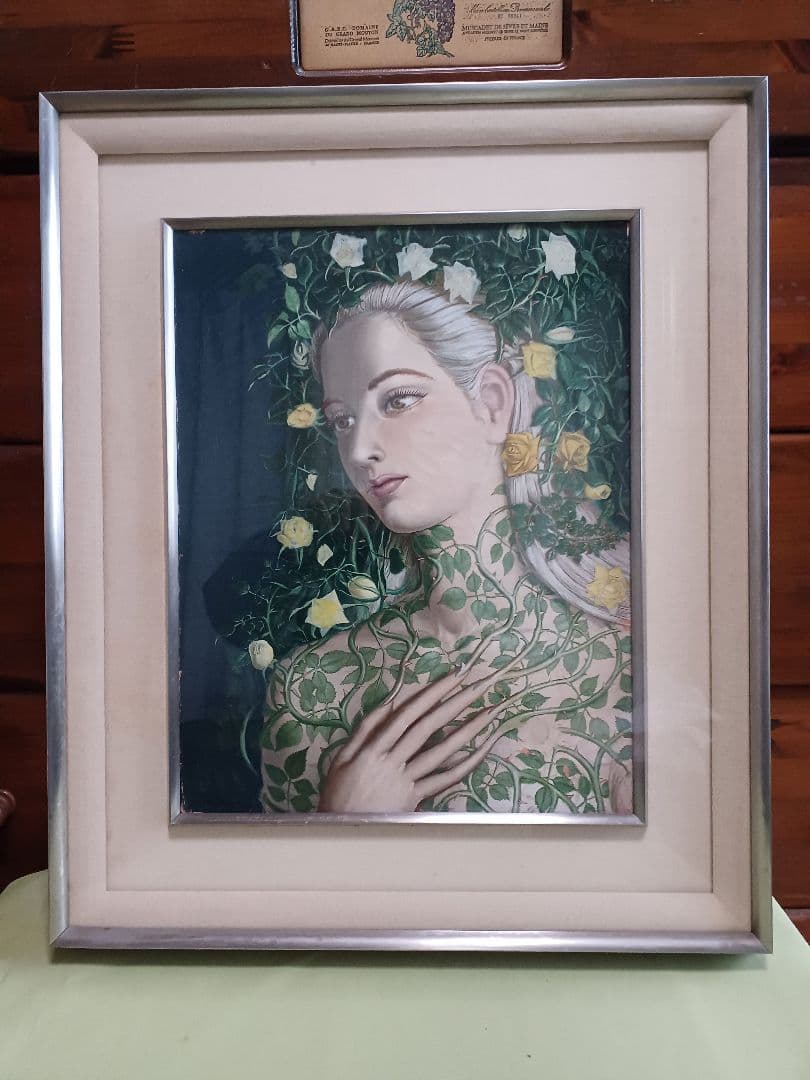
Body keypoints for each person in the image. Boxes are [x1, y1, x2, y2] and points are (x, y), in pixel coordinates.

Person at [260, 281, 632, 815]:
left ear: (493, 404)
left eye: (398, 400)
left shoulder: (624, 662)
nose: (360, 449)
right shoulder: (314, 684)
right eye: (342, 421)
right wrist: (342, 819)